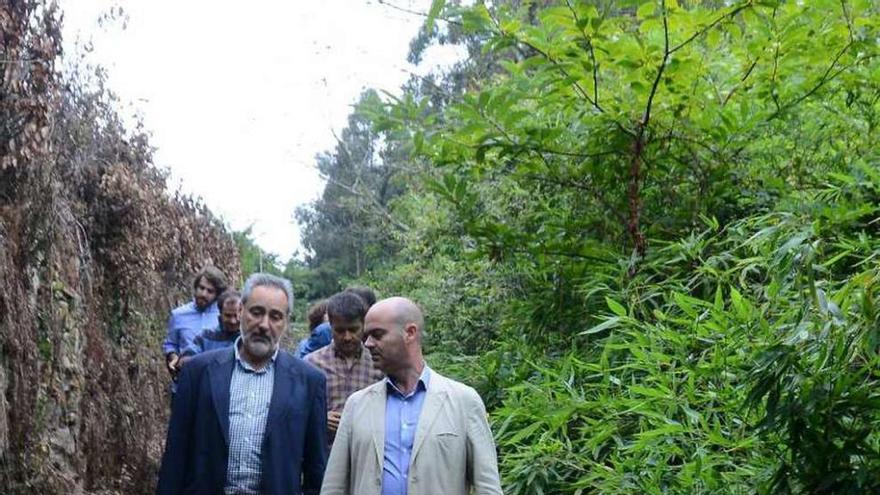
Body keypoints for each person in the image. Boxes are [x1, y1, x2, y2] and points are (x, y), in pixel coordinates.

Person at [156, 273, 327, 495]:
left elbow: (316, 469)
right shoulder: (198, 372)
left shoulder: (309, 382)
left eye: (275, 316)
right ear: (241, 311)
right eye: (256, 312)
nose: (264, 325)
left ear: (286, 321)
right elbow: (175, 456)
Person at [320, 297, 502, 495]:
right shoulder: (356, 405)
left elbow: (488, 486)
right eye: (366, 336)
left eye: (377, 335)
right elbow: (334, 486)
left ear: (410, 333)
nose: (368, 344)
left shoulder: (464, 401)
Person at [304, 291, 383, 446]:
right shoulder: (311, 364)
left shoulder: (379, 362)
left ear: (363, 326)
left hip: (367, 452)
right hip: (325, 454)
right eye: (340, 331)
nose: (347, 337)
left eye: (353, 330)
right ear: (330, 326)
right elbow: (296, 411)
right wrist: (321, 419)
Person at [162, 266, 227, 383]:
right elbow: (171, 344)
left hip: (214, 385)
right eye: (201, 288)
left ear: (218, 294)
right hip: (183, 384)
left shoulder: (224, 316)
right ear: (195, 287)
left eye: (210, 291)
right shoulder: (178, 315)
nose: (203, 294)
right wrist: (173, 357)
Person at [180, 290, 242, 360]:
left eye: (237, 315)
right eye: (228, 316)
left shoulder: (249, 337)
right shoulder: (206, 336)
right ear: (220, 315)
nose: (233, 321)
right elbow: (190, 353)